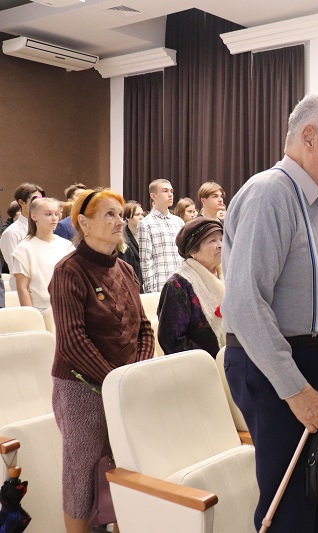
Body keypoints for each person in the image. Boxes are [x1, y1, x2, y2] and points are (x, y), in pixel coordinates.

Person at [222, 94, 318, 533]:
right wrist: (295, 390)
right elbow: (245, 302)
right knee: (291, 511)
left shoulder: (317, 203)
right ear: (309, 137)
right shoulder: (270, 194)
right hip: (280, 366)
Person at [49, 188, 154, 533]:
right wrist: (115, 383)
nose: (119, 221)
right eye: (109, 214)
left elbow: (143, 328)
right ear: (84, 223)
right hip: (81, 389)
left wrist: (133, 375)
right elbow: (73, 342)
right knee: (82, 477)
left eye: (121, 215)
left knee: (125, 470)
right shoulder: (68, 271)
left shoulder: (124, 269)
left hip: (122, 386)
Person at [157, 217, 225, 357]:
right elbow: (172, 341)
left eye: (221, 239)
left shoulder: (228, 274)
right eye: (212, 241)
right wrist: (208, 360)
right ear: (193, 251)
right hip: (199, 364)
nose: (220, 245)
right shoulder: (178, 285)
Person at [10, 197, 74, 312]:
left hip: (67, 307)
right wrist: (31, 315)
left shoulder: (66, 245)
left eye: (56, 214)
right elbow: (22, 288)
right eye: (48, 214)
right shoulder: (24, 249)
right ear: (34, 216)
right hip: (40, 309)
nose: (54, 218)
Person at [137, 179, 184, 294]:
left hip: (181, 283)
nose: (170, 194)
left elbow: (184, 255)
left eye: (171, 191)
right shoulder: (145, 223)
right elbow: (146, 260)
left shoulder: (179, 222)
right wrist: (151, 291)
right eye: (165, 191)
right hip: (161, 285)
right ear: (153, 196)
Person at [0, 183, 45, 290]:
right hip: (24, 287)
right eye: (34, 199)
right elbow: (14, 266)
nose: (39, 203)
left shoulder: (44, 227)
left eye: (41, 199)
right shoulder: (12, 232)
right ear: (21, 202)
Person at [120, 201, 144, 292]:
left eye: (142, 214)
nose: (141, 217)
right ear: (127, 217)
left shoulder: (146, 233)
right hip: (134, 282)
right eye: (137, 215)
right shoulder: (124, 238)